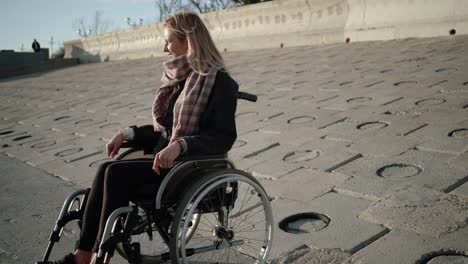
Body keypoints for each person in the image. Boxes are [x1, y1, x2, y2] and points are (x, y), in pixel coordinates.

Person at [45, 12, 238, 264]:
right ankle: (83, 254)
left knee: (114, 173)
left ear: (188, 41)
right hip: (167, 163)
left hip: (191, 168)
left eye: (168, 41)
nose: (163, 48)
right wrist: (127, 134)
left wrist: (180, 146)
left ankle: (93, 257)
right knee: (106, 169)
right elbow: (164, 131)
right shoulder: (179, 80)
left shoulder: (219, 82)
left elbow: (223, 138)